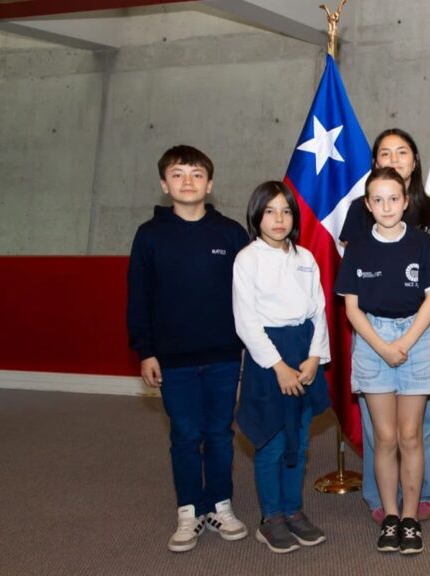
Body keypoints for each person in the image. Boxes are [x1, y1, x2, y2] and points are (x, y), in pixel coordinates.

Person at [127, 145, 250, 552]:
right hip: (173, 359)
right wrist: (145, 350)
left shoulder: (231, 233)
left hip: (222, 355)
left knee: (218, 432)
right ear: (164, 184)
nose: (187, 181)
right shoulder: (149, 236)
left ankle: (219, 505)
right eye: (178, 174)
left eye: (196, 174)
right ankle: (188, 510)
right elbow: (138, 297)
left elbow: (247, 296)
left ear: (210, 184)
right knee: (184, 434)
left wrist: (248, 348)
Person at [337, 167, 430, 555]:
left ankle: (410, 517)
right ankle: (388, 515)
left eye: (394, 198)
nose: (387, 206)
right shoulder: (357, 248)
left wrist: (404, 341)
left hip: (415, 341)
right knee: (383, 438)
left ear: (405, 202)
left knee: (410, 436)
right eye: (378, 200)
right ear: (368, 206)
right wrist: (382, 346)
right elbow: (352, 309)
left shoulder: (421, 242)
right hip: (371, 341)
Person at [233, 181, 331, 554]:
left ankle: (294, 510)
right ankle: (270, 517)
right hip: (269, 359)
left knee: (300, 442)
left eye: (286, 211)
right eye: (270, 211)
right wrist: (279, 367)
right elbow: (247, 321)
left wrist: (313, 357)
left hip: (304, 352)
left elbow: (318, 311)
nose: (279, 219)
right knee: (272, 442)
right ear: (256, 216)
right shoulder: (248, 259)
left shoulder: (305, 258)